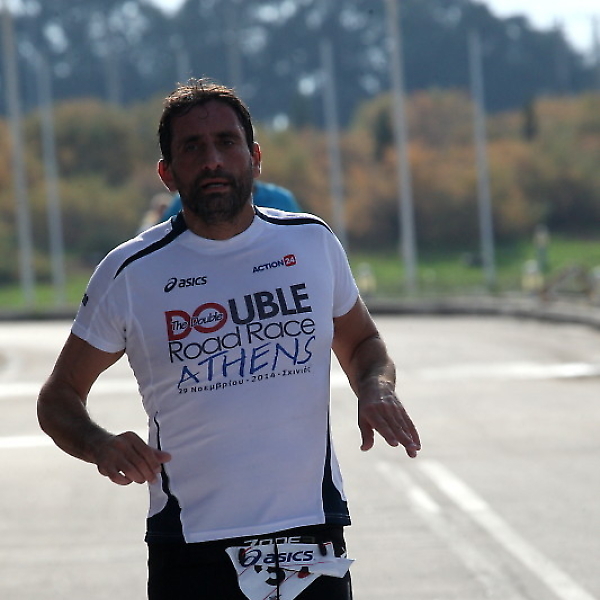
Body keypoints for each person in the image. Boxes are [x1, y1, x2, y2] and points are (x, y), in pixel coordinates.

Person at [37, 78, 421, 600]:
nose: (212, 160)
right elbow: (57, 398)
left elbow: (362, 346)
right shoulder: (130, 272)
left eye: (226, 142)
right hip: (192, 545)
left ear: (254, 157)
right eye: (193, 148)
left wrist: (375, 387)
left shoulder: (311, 242)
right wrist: (99, 444)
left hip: (311, 533)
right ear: (167, 173)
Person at [161, 180, 302, 223]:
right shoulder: (184, 202)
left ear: (254, 156)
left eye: (228, 144)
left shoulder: (281, 199)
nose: (216, 160)